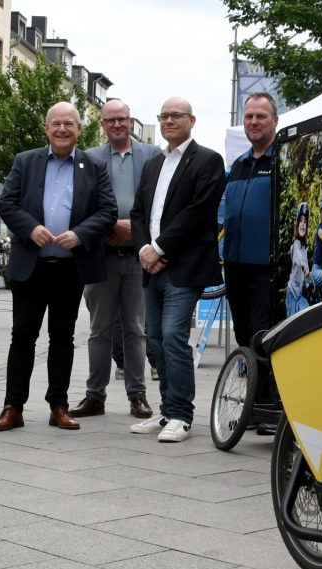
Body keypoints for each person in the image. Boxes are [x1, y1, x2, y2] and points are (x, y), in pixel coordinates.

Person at [0, 102, 117, 432]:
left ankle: (58, 405)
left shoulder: (95, 165)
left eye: (69, 124)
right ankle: (12, 407)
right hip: (31, 266)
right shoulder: (26, 161)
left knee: (62, 338)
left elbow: (107, 211)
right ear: (47, 129)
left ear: (78, 130)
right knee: (23, 337)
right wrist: (30, 228)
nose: (62, 129)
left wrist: (81, 233)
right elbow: (7, 203)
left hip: (70, 267)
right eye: (56, 124)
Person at [129, 97, 225, 442]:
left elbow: (198, 213)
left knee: (173, 336)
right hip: (150, 266)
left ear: (192, 120)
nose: (169, 121)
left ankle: (182, 415)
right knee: (154, 340)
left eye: (176, 115)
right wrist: (143, 248)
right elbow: (139, 212)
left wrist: (159, 247)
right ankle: (167, 410)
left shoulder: (208, 161)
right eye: (164, 116)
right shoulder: (154, 164)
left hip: (183, 268)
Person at [70, 99, 161, 422]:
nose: (117, 125)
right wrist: (111, 225)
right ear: (103, 125)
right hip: (101, 256)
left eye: (122, 119)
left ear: (131, 121)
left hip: (139, 257)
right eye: (110, 121)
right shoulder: (89, 158)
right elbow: (80, 204)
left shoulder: (152, 155)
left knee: (136, 329)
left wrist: (133, 231)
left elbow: (158, 201)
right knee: (99, 330)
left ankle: (138, 396)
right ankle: (95, 396)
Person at [223, 92, 278, 347]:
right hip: (235, 269)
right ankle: (254, 386)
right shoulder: (238, 165)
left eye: (261, 116)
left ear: (275, 121)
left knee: (262, 339)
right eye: (249, 116)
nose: (253, 121)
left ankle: (265, 388)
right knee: (243, 338)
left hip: (266, 270)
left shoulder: (282, 161)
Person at [286, 203, 314, 317]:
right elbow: (298, 260)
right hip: (292, 294)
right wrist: (305, 267)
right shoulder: (295, 245)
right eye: (301, 221)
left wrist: (310, 278)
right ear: (297, 225)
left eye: (305, 222)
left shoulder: (304, 248)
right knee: (292, 330)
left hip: (300, 295)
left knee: (309, 316)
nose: (303, 224)